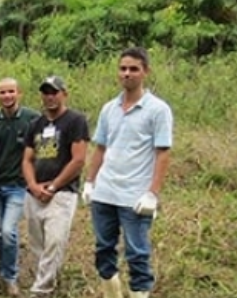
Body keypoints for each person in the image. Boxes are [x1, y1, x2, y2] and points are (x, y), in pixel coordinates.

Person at [84, 47, 172, 298]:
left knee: (137, 255)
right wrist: (90, 182)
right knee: (103, 250)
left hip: (135, 197)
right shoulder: (109, 109)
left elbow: (162, 153)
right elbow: (100, 148)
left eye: (134, 69)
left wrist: (153, 193)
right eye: (123, 68)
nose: (127, 73)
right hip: (105, 193)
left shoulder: (157, 110)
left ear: (145, 72)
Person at [21, 76, 89, 298]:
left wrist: (53, 187)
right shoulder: (36, 125)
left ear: (64, 94)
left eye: (54, 92)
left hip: (61, 193)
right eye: (46, 92)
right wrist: (32, 186)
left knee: (54, 242)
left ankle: (40, 291)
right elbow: (27, 159)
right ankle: (50, 285)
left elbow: (78, 160)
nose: (50, 96)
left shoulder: (75, 121)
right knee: (38, 246)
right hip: (34, 193)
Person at [0, 78, 41, 296]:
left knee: (9, 231)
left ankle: (10, 278)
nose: (7, 96)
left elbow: (42, 151)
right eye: (2, 92)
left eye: (11, 92)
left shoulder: (32, 118)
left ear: (19, 93)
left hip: (19, 186)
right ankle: (4, 272)